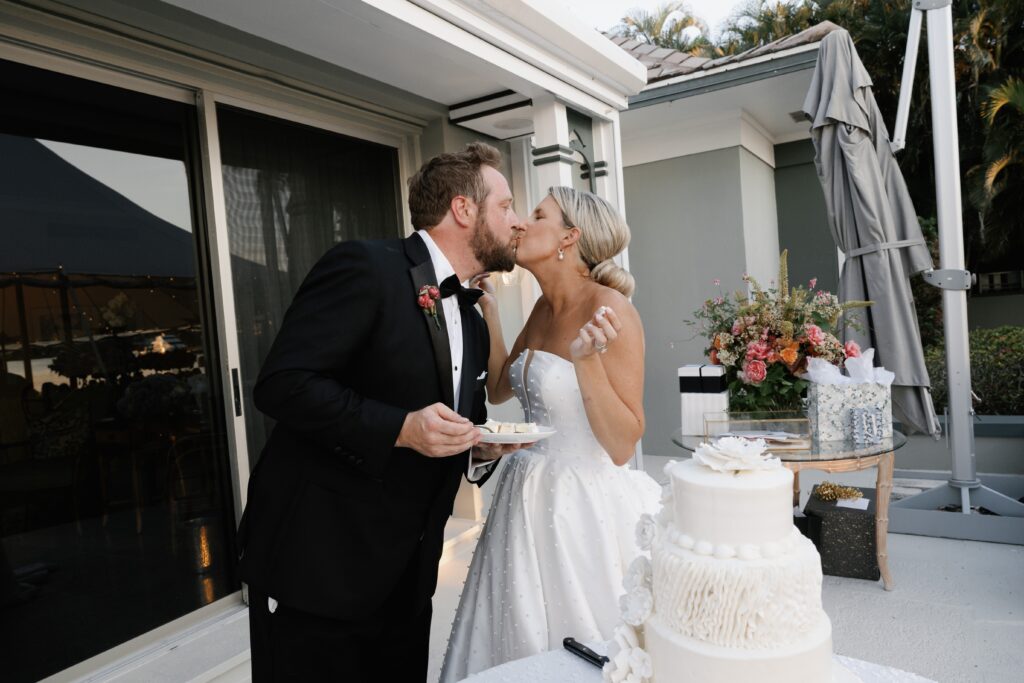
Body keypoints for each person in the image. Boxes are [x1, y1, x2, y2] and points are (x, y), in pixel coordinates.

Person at [237, 142, 529, 682]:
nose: (517, 222)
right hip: (326, 565)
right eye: (506, 206)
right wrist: (399, 428)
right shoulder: (367, 267)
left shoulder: (473, 315)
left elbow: (459, 417)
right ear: (463, 210)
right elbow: (282, 384)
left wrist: (480, 444)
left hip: (412, 577)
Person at [440, 187, 662, 681]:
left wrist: (586, 364)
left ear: (569, 237)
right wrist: (492, 315)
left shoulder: (612, 310)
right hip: (524, 498)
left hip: (582, 505)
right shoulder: (542, 308)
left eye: (537, 215)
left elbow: (624, 444)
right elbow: (499, 388)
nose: (519, 223)